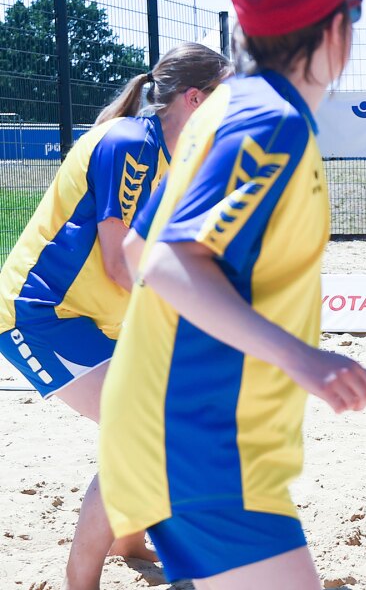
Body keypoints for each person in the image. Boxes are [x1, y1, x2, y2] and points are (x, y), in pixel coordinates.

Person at [97, 0, 366, 588]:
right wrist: (303, 359)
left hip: (185, 428)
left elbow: (136, 249)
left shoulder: (227, 108)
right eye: (353, 15)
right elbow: (168, 261)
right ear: (333, 32)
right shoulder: (270, 121)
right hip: (200, 439)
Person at [0, 42, 231, 590]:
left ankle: (129, 540)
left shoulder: (184, 158)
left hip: (100, 318)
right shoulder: (130, 143)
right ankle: (81, 584)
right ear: (196, 99)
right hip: (40, 314)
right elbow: (117, 263)